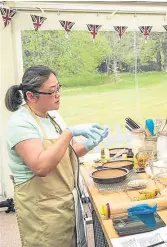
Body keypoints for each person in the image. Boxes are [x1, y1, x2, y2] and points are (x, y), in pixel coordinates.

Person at [5, 65, 108, 247]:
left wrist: (89, 144)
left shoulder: (53, 116)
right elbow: (40, 166)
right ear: (31, 96)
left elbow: (68, 152)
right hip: (41, 208)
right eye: (52, 92)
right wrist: (68, 133)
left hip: (65, 202)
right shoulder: (20, 123)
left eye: (58, 88)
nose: (58, 95)